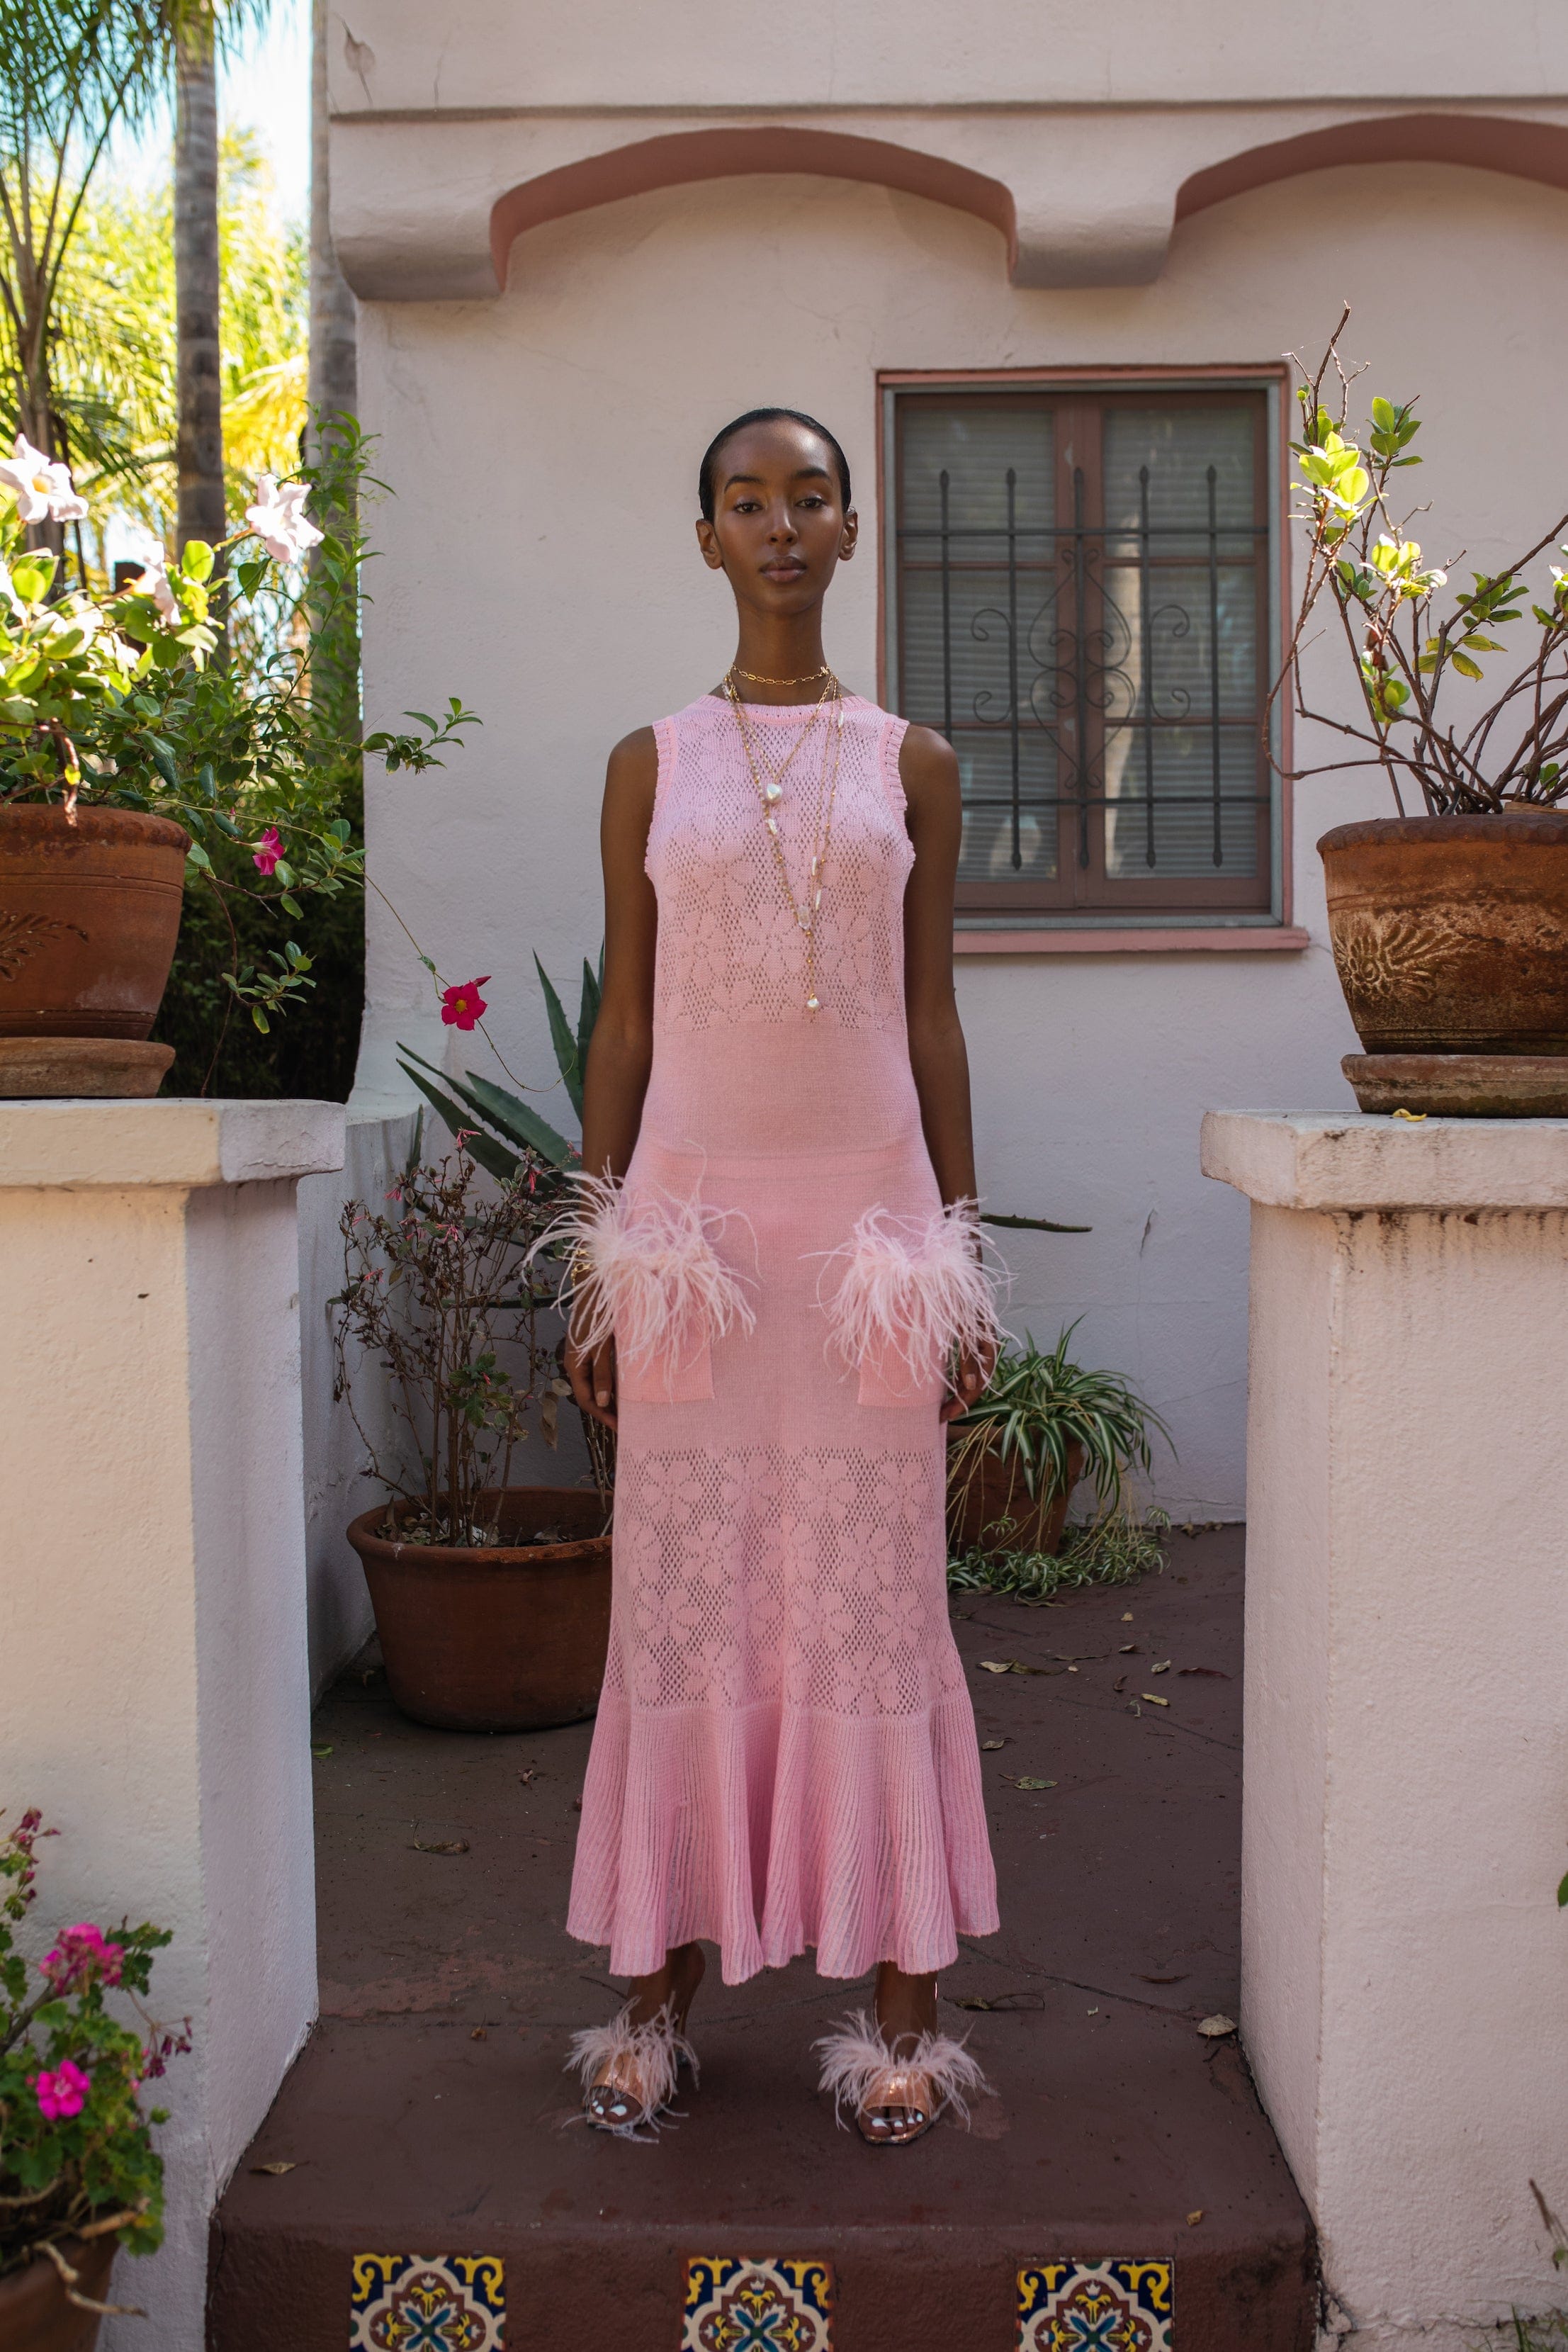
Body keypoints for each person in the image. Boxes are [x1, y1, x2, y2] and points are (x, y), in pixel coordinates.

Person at [558, 407, 1000, 2148]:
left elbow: (935, 1011)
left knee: (876, 1598)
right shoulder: (647, 761)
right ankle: (659, 1994)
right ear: (707, 537)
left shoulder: (917, 762)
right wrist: (600, 1254)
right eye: (746, 501)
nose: (781, 525)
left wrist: (953, 1253)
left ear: (853, 522)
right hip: (695, 1246)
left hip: (867, 1248)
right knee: (683, 1593)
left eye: (809, 495)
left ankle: (905, 2013)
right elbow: (629, 1016)